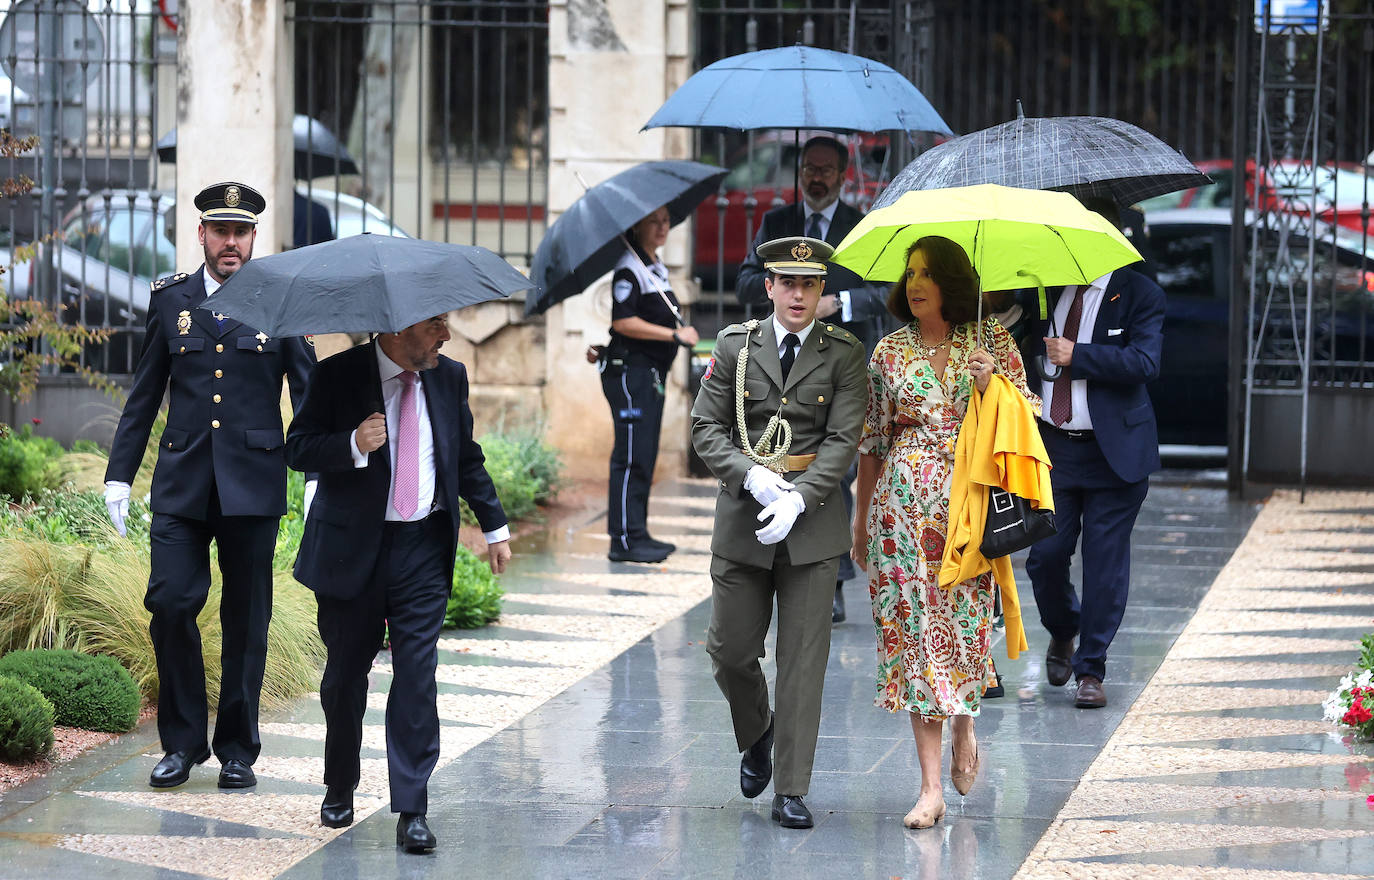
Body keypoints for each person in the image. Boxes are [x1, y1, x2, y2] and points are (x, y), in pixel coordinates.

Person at [102, 182, 316, 790]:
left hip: (253, 484)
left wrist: (318, 472)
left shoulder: (279, 300)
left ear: (254, 237)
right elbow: (144, 394)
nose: (231, 242)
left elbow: (307, 393)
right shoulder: (172, 300)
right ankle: (182, 744)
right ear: (201, 234)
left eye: (241, 231)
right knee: (170, 602)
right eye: (220, 231)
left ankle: (238, 749)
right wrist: (120, 475)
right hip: (183, 482)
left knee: (247, 620)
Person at [285, 313, 511, 854]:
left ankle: (412, 807)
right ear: (397, 328)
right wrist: (352, 444)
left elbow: (465, 457)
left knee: (417, 673)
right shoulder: (338, 374)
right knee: (344, 676)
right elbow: (298, 447)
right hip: (351, 551)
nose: (446, 336)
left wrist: (495, 525)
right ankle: (339, 781)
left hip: (421, 549)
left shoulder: (448, 376)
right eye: (435, 324)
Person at [852, 236, 1038, 829]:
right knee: (915, 644)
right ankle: (930, 788)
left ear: (952, 283)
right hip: (899, 519)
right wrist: (859, 522)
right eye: (910, 274)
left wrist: (993, 387)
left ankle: (965, 721)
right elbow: (873, 442)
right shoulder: (887, 352)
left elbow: (1031, 415)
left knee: (961, 632)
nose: (915, 283)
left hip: (967, 513)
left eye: (928, 273)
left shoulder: (990, 341)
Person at [691, 235, 867, 829]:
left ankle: (791, 788)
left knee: (803, 663)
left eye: (810, 284)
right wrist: (753, 480)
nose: (798, 294)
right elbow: (705, 426)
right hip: (745, 518)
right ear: (768, 287)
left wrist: (798, 497)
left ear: (822, 292)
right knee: (730, 652)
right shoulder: (735, 346)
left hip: (811, 527)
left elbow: (843, 441)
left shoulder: (844, 353)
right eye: (788, 283)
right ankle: (757, 732)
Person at [735, 134, 894, 623]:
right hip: (781, 369)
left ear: (843, 174)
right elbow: (745, 282)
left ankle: (831, 578)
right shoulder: (776, 224)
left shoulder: (860, 226)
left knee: (837, 470)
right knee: (788, 464)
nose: (816, 176)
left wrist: (838, 304)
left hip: (841, 368)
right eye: (809, 167)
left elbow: (888, 290)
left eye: (826, 168)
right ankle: (785, 565)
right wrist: (788, 299)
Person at [1019, 198, 1165, 710]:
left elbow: (1145, 362)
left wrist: (1077, 356)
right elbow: (1017, 350)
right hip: (1054, 448)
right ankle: (1064, 629)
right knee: (1046, 558)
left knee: (1105, 565)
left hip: (1115, 453)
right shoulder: (1043, 288)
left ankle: (1092, 668)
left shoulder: (1139, 293)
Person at [600, 205, 699, 563]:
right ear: (636, 225)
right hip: (631, 376)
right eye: (652, 221)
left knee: (643, 455)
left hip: (647, 375)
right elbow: (623, 322)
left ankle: (637, 533)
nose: (661, 227)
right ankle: (623, 541)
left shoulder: (652, 267)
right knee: (629, 457)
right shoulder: (629, 269)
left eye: (666, 220)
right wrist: (675, 334)